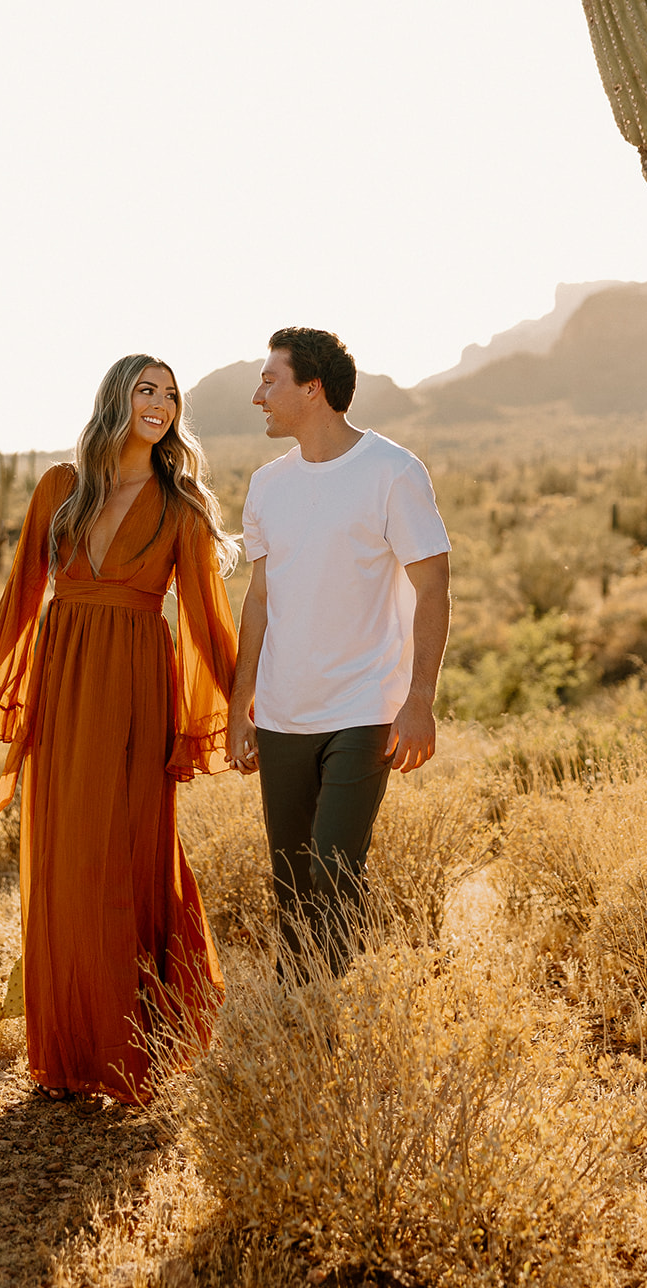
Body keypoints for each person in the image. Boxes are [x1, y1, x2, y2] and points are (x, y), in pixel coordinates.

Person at [0, 354, 239, 1104]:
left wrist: (239, 710)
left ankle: (138, 1046)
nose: (161, 403)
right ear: (117, 398)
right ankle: (73, 1049)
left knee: (134, 848)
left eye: (171, 395)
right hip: (66, 680)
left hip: (140, 688)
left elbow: (207, 621)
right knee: (66, 858)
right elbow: (21, 594)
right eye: (147, 389)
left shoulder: (182, 504)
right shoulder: (59, 487)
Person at [226, 327, 450, 972]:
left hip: (364, 707)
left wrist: (420, 700)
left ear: (313, 388)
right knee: (292, 886)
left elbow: (432, 586)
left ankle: (328, 1013)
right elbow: (260, 598)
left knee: (334, 872)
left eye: (271, 380)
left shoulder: (392, 471)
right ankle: (301, 1022)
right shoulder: (267, 485)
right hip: (282, 710)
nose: (258, 395)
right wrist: (243, 701)